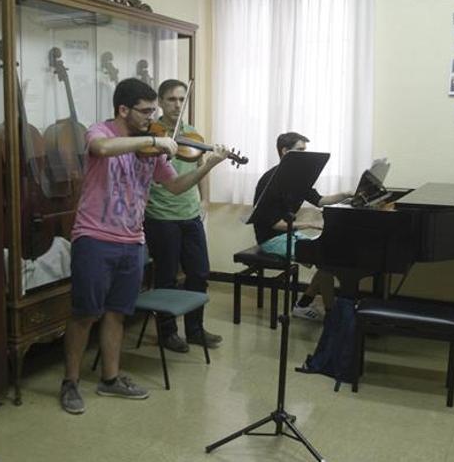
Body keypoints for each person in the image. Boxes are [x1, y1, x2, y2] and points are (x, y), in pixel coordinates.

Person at [60, 78, 228, 415]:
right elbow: (102, 151)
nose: (154, 116)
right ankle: (71, 382)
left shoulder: (151, 150)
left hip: (132, 240)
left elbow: (176, 185)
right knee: (85, 314)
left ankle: (110, 379)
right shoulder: (101, 132)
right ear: (123, 109)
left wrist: (207, 166)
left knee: (117, 313)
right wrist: (152, 138)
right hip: (94, 238)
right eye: (146, 111)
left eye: (154, 110)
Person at [143, 79, 221, 354]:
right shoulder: (152, 134)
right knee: (166, 276)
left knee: (199, 272)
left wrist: (205, 200)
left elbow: (201, 167)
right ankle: (167, 333)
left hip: (189, 213)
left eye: (180, 99)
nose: (177, 104)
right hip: (161, 214)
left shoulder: (192, 134)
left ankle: (196, 329)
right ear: (161, 103)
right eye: (171, 99)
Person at [251, 132, 349, 320]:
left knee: (326, 258)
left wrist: (346, 193)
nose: (305, 155)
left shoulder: (299, 177)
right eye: (300, 150)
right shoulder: (269, 180)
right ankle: (330, 314)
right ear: (285, 151)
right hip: (270, 239)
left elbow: (320, 201)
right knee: (326, 260)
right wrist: (310, 224)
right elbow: (275, 224)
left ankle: (305, 304)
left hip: (289, 235)